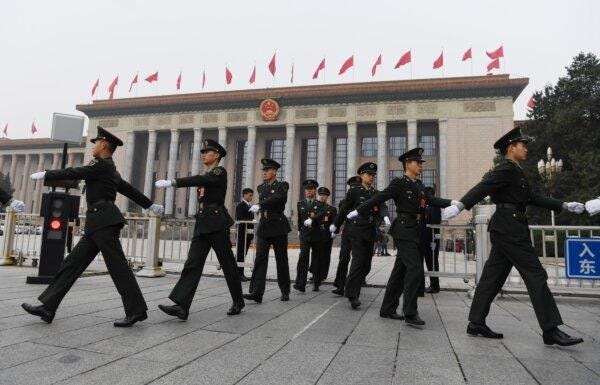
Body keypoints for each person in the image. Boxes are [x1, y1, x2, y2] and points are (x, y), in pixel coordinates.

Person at [443, 126, 585, 346]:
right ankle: (551, 330)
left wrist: (564, 205)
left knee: (492, 277)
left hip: (507, 228)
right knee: (536, 274)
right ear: (512, 147)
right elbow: (484, 186)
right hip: (510, 229)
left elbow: (532, 197)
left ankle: (476, 322)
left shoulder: (517, 171)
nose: (526, 149)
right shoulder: (506, 169)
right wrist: (462, 205)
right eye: (523, 145)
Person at [22, 126, 164, 327]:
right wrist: (150, 204)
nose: (94, 146)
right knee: (71, 265)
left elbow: (76, 171)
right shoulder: (109, 169)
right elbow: (128, 190)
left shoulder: (102, 164)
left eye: (96, 142)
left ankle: (137, 310)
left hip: (104, 222)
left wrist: (48, 174)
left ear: (104, 145)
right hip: (98, 223)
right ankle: (48, 306)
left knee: (118, 268)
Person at [348, 148, 451, 325]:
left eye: (421, 163)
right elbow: (379, 197)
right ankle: (410, 312)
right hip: (404, 230)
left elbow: (431, 200)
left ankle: (387, 308)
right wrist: (358, 210)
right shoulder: (398, 183)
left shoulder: (418, 185)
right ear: (407, 164)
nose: (420, 165)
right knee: (415, 269)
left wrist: (453, 203)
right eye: (417, 162)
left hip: (415, 229)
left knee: (400, 271)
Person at [156, 139, 244, 319]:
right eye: (202, 151)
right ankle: (182, 305)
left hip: (217, 224)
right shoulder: (208, 174)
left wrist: (173, 182)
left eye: (207, 151)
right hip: (203, 223)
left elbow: (200, 179)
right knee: (192, 263)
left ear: (217, 155)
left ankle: (238, 300)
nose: (203, 154)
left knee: (227, 264)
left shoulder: (219, 171)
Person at [331, 163, 390, 309]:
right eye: (369, 174)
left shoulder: (376, 193)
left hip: (370, 230)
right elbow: (344, 208)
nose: (371, 177)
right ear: (362, 175)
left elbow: (382, 206)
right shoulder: (354, 191)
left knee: (366, 263)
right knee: (357, 261)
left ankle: (353, 286)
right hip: (356, 229)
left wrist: (385, 216)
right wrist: (336, 224)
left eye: (373, 175)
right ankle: (352, 294)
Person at [243, 159, 291, 303]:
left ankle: (285, 291)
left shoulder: (282, 186)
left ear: (275, 172)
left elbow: (278, 198)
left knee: (281, 260)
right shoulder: (260, 187)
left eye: (267, 170)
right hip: (264, 227)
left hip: (278, 226)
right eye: (263, 170)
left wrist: (260, 204)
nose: (264, 173)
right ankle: (257, 292)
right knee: (260, 260)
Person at [331, 176, 362, 296]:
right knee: (343, 257)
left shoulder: (364, 200)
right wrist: (336, 228)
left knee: (358, 259)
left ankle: (355, 282)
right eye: (353, 187)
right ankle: (340, 285)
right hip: (348, 232)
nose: (355, 189)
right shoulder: (344, 202)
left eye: (357, 186)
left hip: (360, 231)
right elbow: (341, 215)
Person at [295, 179, 326, 292]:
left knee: (316, 258)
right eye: (307, 189)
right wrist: (299, 229)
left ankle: (316, 282)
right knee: (303, 256)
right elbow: (299, 218)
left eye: (311, 189)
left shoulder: (320, 204)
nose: (308, 191)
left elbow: (322, 214)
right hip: (304, 234)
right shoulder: (300, 204)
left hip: (317, 233)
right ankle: (300, 283)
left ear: (315, 191)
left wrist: (312, 219)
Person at [421, 186, 442, 293]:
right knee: (430, 261)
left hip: (432, 240)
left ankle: (435, 286)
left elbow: (433, 224)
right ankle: (434, 285)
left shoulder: (433, 206)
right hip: (430, 239)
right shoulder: (430, 206)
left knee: (432, 261)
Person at [313, 186, 337, 283]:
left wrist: (334, 231)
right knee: (315, 254)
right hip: (316, 233)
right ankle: (314, 273)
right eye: (321, 195)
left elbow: (335, 221)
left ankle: (323, 274)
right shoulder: (314, 208)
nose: (322, 197)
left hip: (326, 234)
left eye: (325, 195)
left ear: (327, 197)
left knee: (326, 255)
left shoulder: (331, 209)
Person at [235, 188, 255, 281]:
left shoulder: (249, 206)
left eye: (252, 195)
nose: (251, 197)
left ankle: (240, 273)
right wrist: (251, 221)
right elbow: (240, 218)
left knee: (243, 254)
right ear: (244, 195)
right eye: (250, 195)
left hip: (248, 234)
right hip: (242, 233)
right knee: (240, 254)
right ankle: (238, 274)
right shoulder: (240, 205)